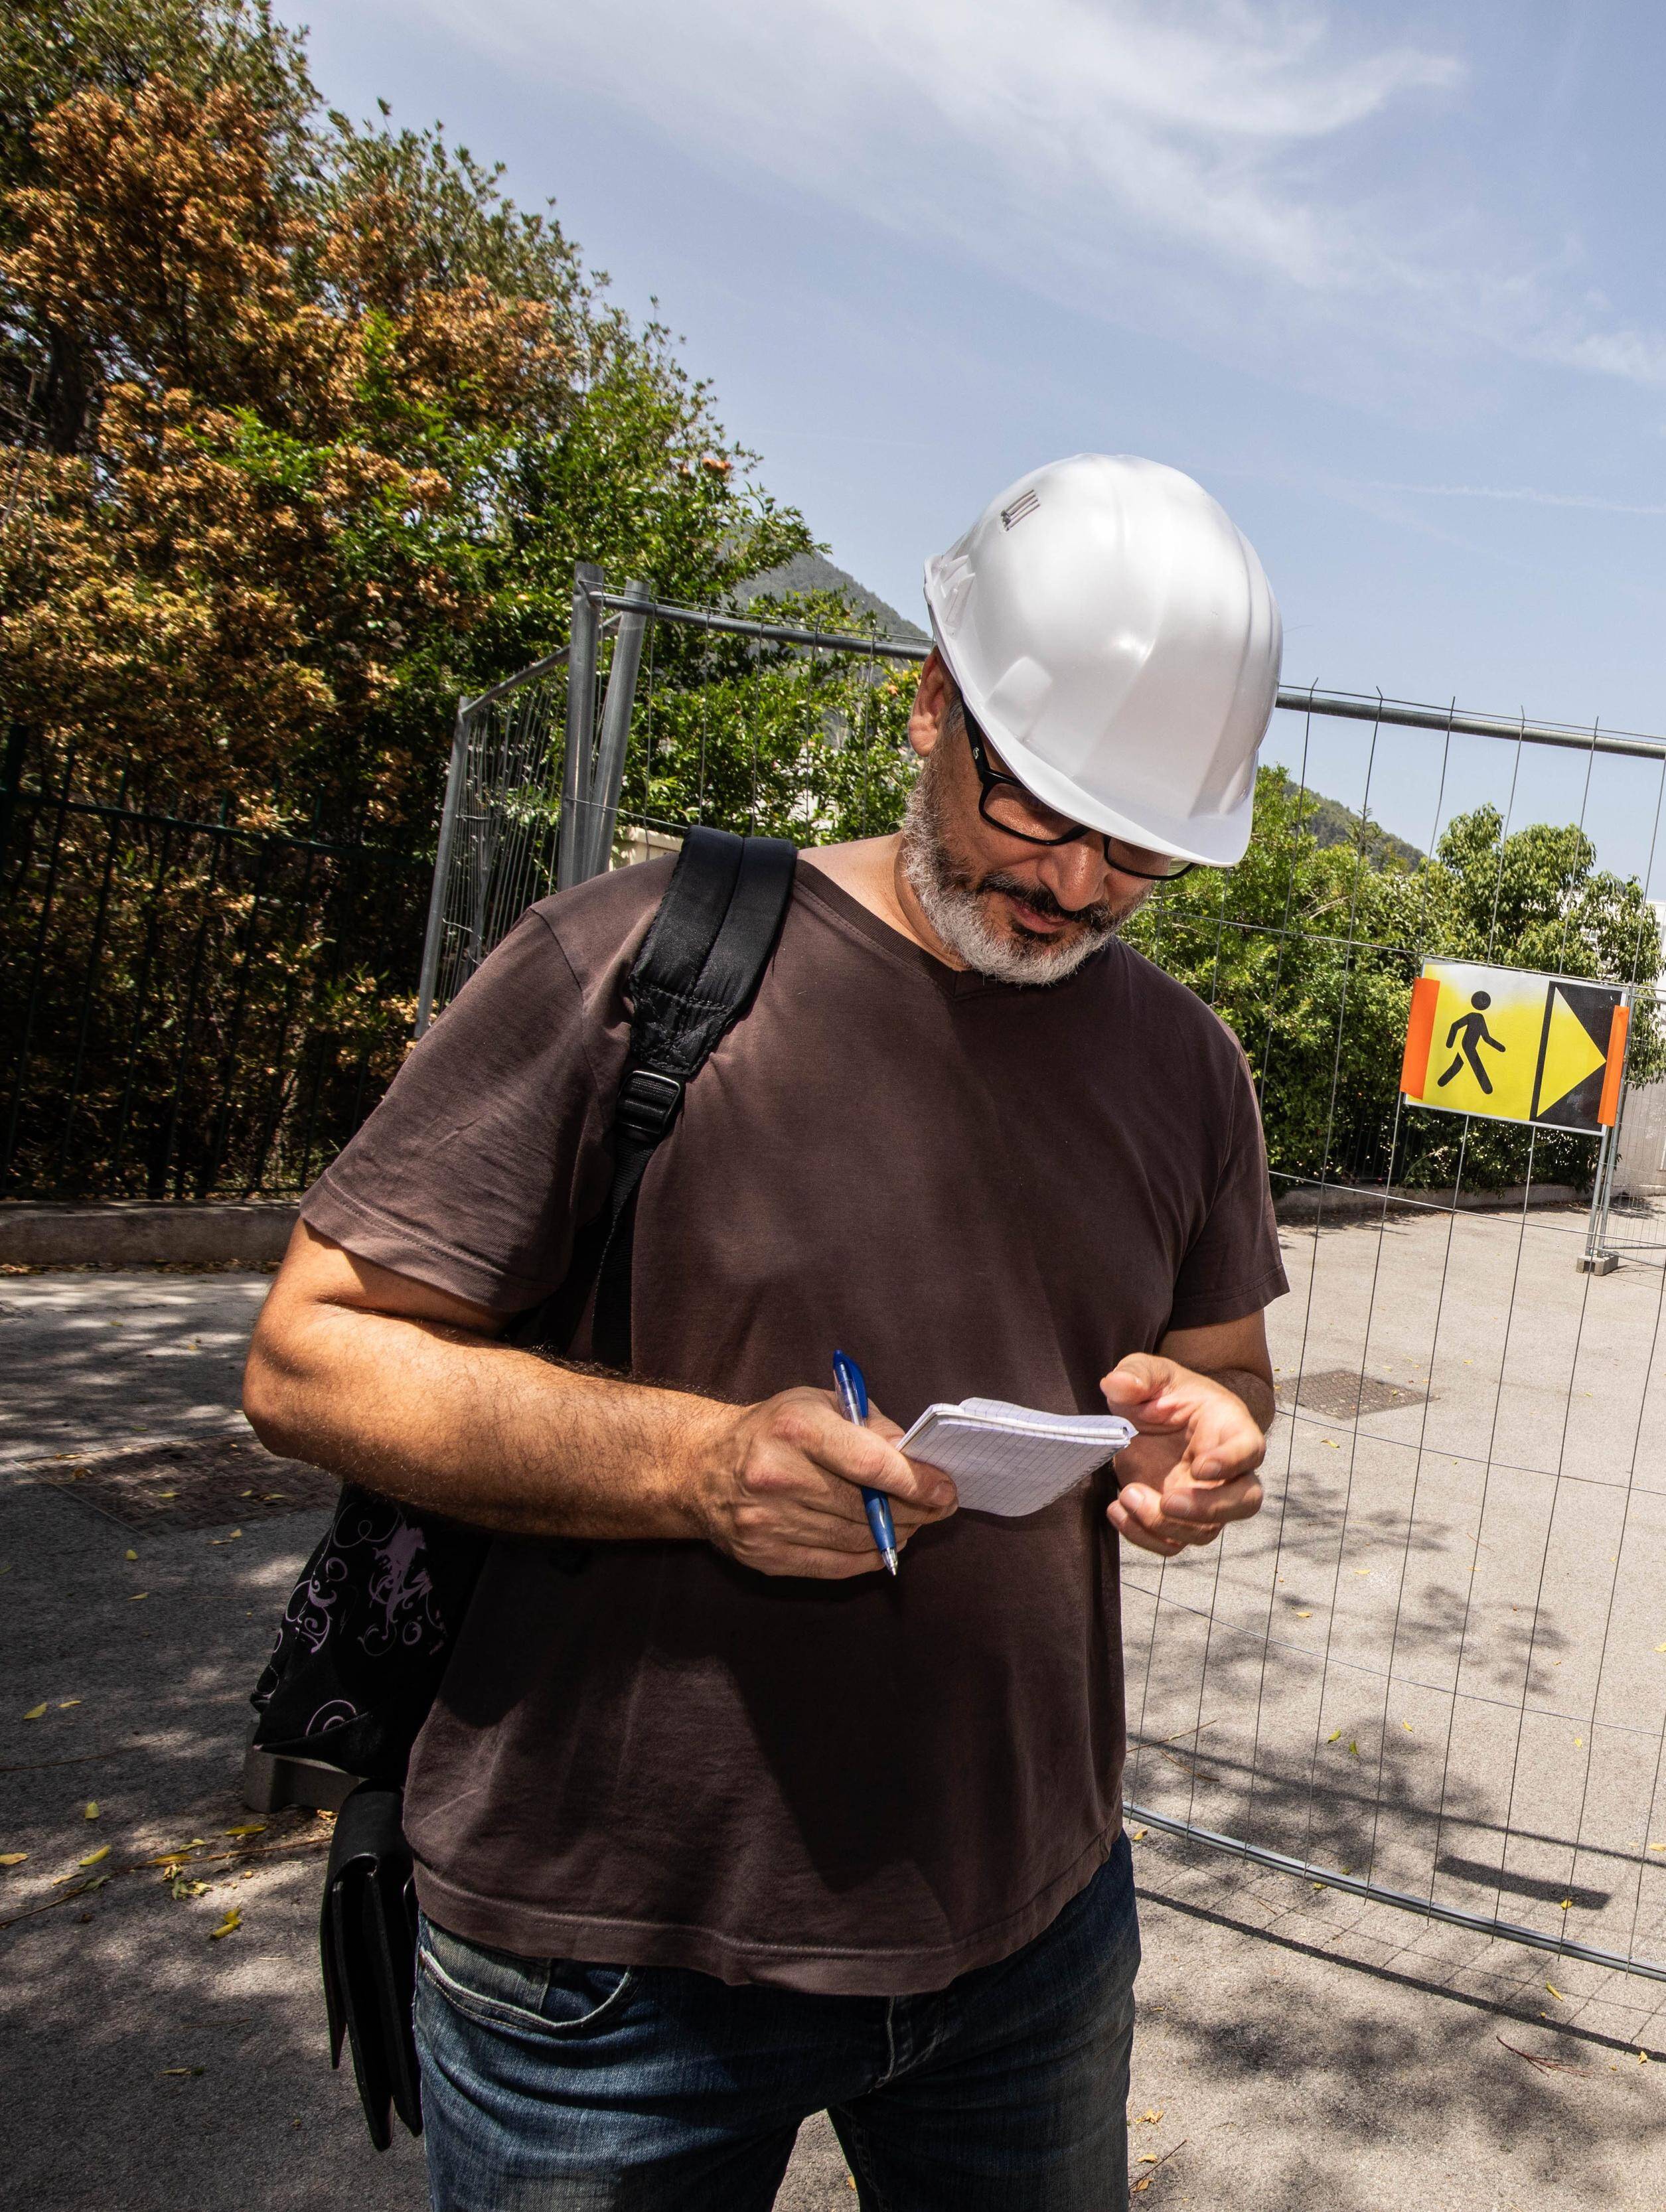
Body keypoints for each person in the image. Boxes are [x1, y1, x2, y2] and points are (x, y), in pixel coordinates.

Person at [244, 453, 1290, 2209]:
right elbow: (310, 1353)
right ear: (933, 699)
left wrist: (1216, 1431)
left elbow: (1226, 1365)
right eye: (1040, 807)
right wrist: (699, 1461)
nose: (1078, 886)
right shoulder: (638, 956)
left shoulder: (1185, 1065)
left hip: (1028, 1931)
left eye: (1143, 848)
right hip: (610, 1961)